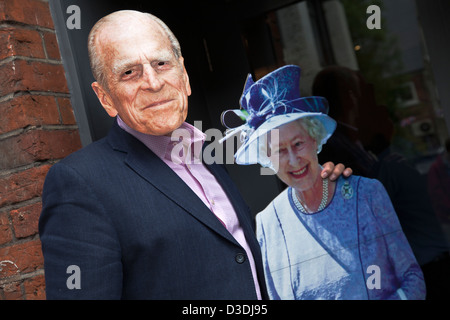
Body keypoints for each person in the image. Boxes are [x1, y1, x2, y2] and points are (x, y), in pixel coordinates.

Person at [38, 10, 349, 299]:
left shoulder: (206, 155)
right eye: (130, 72)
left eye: (161, 64)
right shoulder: (79, 183)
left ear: (184, 75)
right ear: (105, 98)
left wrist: (322, 194)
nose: (153, 82)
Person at [223, 65, 425, 299]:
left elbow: (412, 278)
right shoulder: (269, 225)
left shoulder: (367, 195)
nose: (292, 159)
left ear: (314, 137)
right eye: (279, 151)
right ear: (267, 159)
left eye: (298, 144)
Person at [313, 66, 450, 300]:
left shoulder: (359, 145)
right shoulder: (336, 147)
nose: (371, 103)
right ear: (350, 98)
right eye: (364, 94)